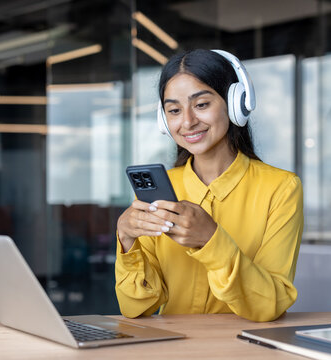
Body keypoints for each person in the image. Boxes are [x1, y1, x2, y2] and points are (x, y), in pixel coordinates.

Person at [114, 49, 304, 322]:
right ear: (164, 120)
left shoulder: (281, 188)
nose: (188, 121)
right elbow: (135, 308)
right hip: (174, 348)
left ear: (235, 102)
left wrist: (211, 240)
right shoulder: (162, 191)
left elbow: (270, 305)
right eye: (174, 110)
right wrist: (126, 241)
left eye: (201, 104)